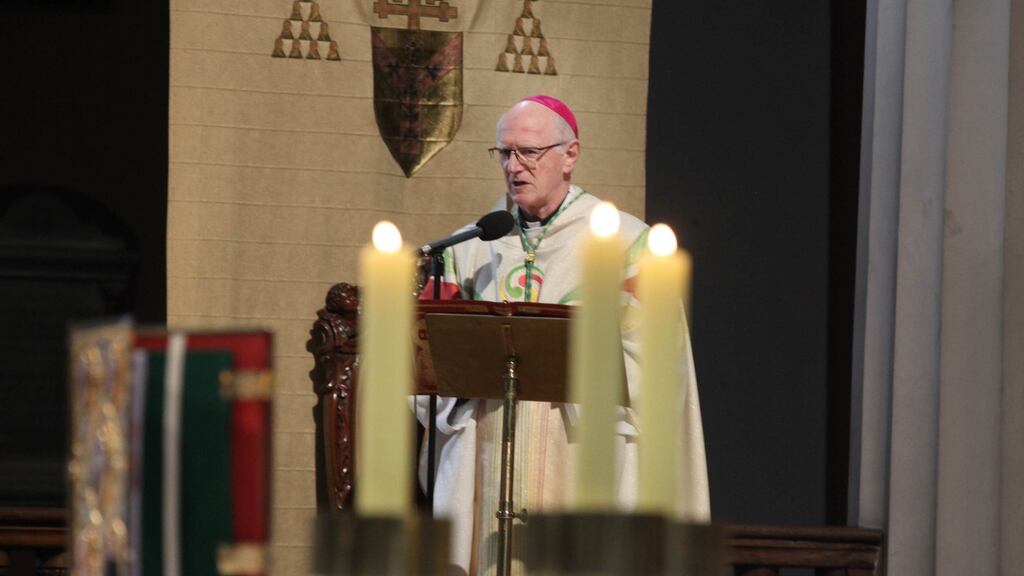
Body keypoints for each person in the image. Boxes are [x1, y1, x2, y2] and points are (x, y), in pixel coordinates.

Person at [416, 96, 710, 576]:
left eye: (529, 152)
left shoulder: (625, 246)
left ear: (570, 154)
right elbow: (428, 371)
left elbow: (659, 365)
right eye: (505, 153)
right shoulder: (469, 249)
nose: (515, 166)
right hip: (488, 453)